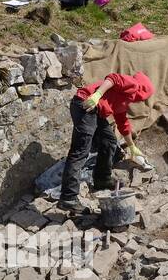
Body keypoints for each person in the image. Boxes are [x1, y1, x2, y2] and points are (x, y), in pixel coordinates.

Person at [58, 71, 154, 212]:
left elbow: (123, 123)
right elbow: (113, 78)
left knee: (109, 141)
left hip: (96, 112)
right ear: (144, 90)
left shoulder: (125, 99)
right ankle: (68, 198)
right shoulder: (133, 85)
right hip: (86, 104)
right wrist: (97, 95)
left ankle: (102, 179)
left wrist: (132, 147)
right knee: (80, 150)